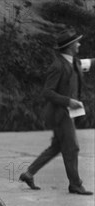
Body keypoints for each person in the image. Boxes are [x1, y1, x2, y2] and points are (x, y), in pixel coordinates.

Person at [20, 28, 94, 195]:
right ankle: (75, 184)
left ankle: (29, 173)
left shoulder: (74, 62)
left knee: (56, 147)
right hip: (60, 115)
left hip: (67, 114)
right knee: (72, 148)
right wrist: (68, 101)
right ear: (69, 46)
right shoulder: (58, 66)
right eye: (77, 42)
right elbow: (47, 92)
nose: (79, 44)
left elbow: (90, 62)